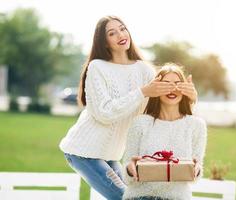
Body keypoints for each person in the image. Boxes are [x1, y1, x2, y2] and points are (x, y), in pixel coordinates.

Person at [59, 16, 198, 200]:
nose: (120, 34)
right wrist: (142, 92)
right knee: (130, 198)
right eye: (112, 33)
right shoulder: (97, 67)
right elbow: (104, 113)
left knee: (139, 197)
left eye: (123, 29)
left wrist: (191, 98)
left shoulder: (144, 70)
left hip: (111, 155)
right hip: (83, 153)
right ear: (104, 42)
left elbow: (164, 108)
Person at [122, 64, 207, 200]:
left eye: (177, 84)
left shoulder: (196, 125)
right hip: (141, 196)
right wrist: (130, 169)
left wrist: (196, 170)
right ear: (156, 89)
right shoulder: (140, 123)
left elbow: (196, 173)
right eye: (166, 84)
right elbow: (127, 170)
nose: (172, 89)